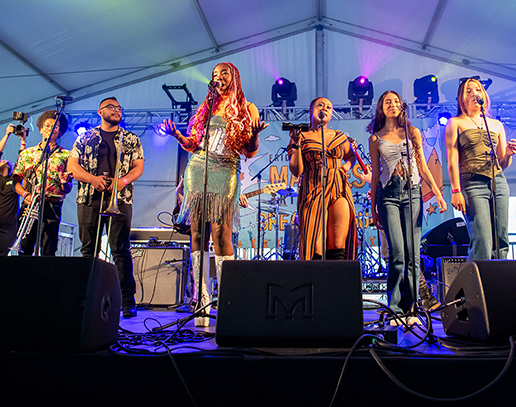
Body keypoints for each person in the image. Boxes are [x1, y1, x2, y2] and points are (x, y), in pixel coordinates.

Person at [162, 62, 267, 327]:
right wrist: (176, 135)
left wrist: (253, 134)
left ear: (235, 76)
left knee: (221, 232)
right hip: (198, 167)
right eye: (215, 75)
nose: (218, 78)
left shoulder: (247, 108)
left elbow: (250, 151)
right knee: (198, 233)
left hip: (226, 168)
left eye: (224, 73)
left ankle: (228, 297)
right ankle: (201, 298)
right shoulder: (205, 107)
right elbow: (192, 144)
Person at [368, 91, 447, 320]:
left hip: (412, 192)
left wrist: (438, 195)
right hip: (388, 195)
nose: (392, 105)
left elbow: (422, 166)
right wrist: (373, 206)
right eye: (387, 102)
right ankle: (394, 308)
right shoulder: (376, 138)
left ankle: (411, 306)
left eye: (395, 101)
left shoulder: (412, 133)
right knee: (398, 253)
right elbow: (375, 175)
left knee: (413, 254)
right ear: (381, 109)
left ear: (402, 106)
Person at [68, 97, 145, 318]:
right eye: (111, 107)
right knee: (88, 250)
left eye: (119, 108)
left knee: (121, 250)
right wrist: (92, 179)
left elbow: (138, 167)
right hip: (89, 198)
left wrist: (122, 181)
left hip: (120, 199)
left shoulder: (130, 139)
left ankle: (128, 301)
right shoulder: (86, 137)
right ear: (100, 112)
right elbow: (72, 166)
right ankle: (87, 296)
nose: (117, 110)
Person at [445, 78, 516, 260]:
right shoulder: (455, 123)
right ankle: (478, 284)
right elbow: (452, 160)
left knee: (501, 236)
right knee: (482, 238)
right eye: (468, 91)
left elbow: (503, 163)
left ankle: (500, 281)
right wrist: (456, 191)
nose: (474, 94)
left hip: (498, 181)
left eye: (477, 90)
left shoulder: (496, 124)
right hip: (472, 181)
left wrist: (508, 154)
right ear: (461, 98)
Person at [288, 97, 357, 260]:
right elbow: (297, 171)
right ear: (311, 110)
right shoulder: (301, 136)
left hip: (338, 187)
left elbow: (351, 157)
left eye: (328, 107)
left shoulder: (339, 136)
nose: (324, 108)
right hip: (312, 187)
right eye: (320, 105)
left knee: (338, 242)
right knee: (314, 244)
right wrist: (297, 145)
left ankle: (337, 284)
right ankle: (316, 283)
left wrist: (345, 167)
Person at [13, 111, 73, 256]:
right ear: (40, 129)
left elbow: (68, 188)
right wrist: (25, 194)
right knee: (25, 247)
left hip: (52, 205)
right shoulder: (27, 153)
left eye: (55, 126)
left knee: (49, 249)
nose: (50, 129)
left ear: (60, 132)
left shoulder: (67, 155)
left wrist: (65, 183)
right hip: (30, 203)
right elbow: (15, 180)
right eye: (46, 125)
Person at [0, 124, 27, 255]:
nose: (5, 160)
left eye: (7, 161)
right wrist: (7, 135)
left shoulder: (14, 180)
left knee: (4, 255)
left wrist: (23, 140)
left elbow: (22, 159)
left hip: (8, 226)